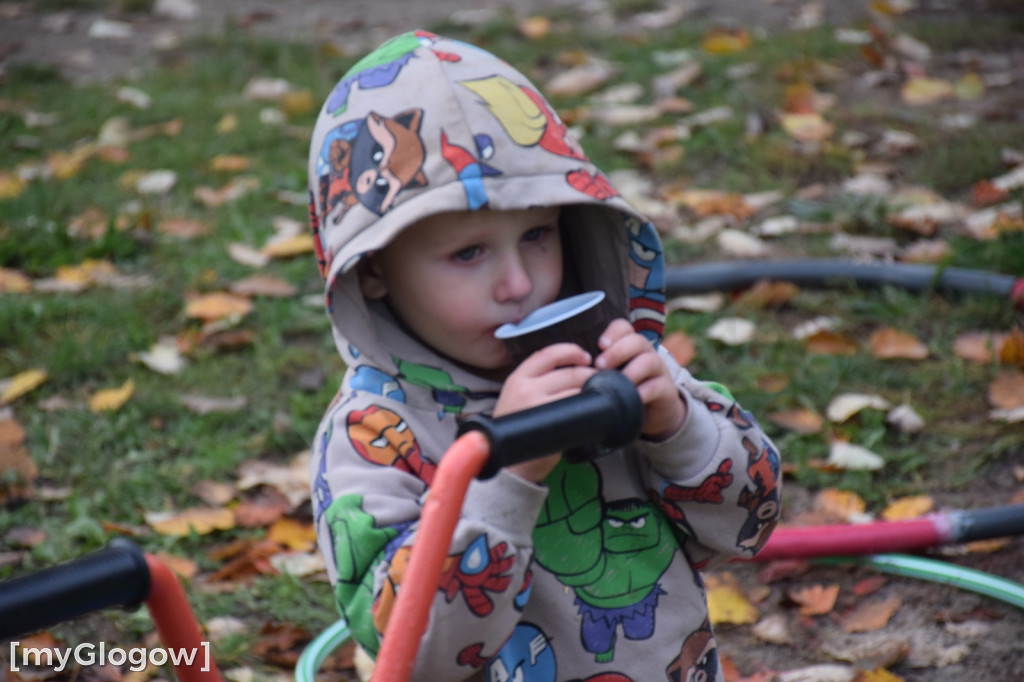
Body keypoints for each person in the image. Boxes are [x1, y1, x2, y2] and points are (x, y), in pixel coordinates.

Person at [307, 30, 781, 682]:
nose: (520, 284)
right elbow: (412, 653)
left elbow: (748, 526)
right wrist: (510, 471)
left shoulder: (613, 365)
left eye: (537, 235)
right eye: (468, 253)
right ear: (374, 272)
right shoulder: (375, 433)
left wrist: (678, 429)